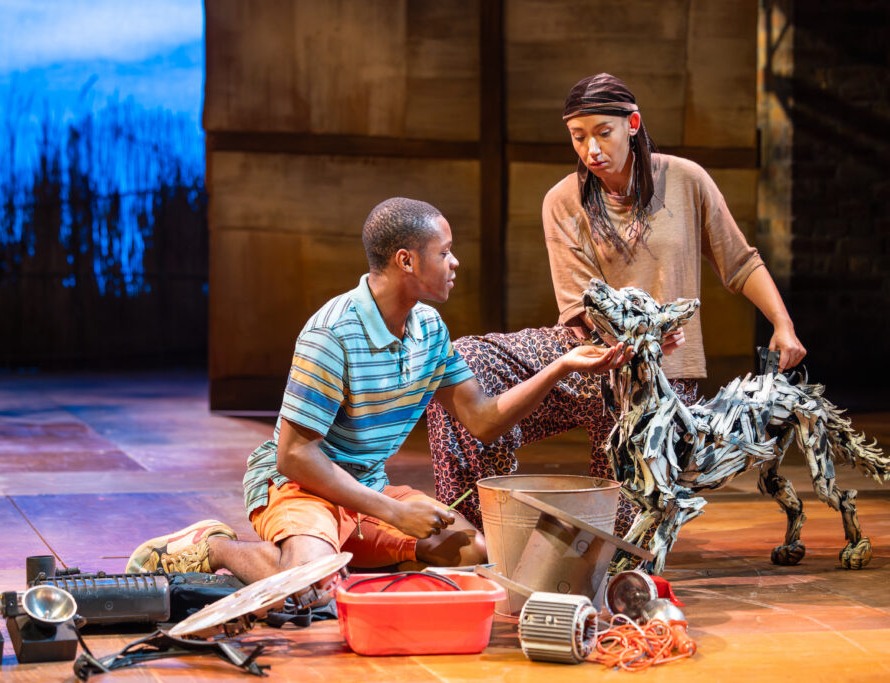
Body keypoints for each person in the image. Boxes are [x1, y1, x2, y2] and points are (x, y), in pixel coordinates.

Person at [126, 197, 630, 585]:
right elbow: (294, 456)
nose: (454, 263)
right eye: (444, 252)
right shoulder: (332, 333)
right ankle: (216, 547)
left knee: (471, 552)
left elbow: (482, 419)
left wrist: (561, 367)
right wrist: (393, 512)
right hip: (298, 487)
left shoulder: (429, 328)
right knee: (310, 584)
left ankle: (327, 557)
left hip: (364, 488)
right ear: (407, 261)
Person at [426, 73, 806, 534]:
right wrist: (639, 338)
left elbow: (740, 262)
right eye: (578, 137)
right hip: (588, 357)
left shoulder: (686, 180)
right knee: (464, 363)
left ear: (632, 124)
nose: (592, 149)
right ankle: (473, 527)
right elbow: (580, 305)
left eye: (603, 133)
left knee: (620, 537)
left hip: (660, 379)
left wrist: (782, 325)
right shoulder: (563, 200)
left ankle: (612, 525)